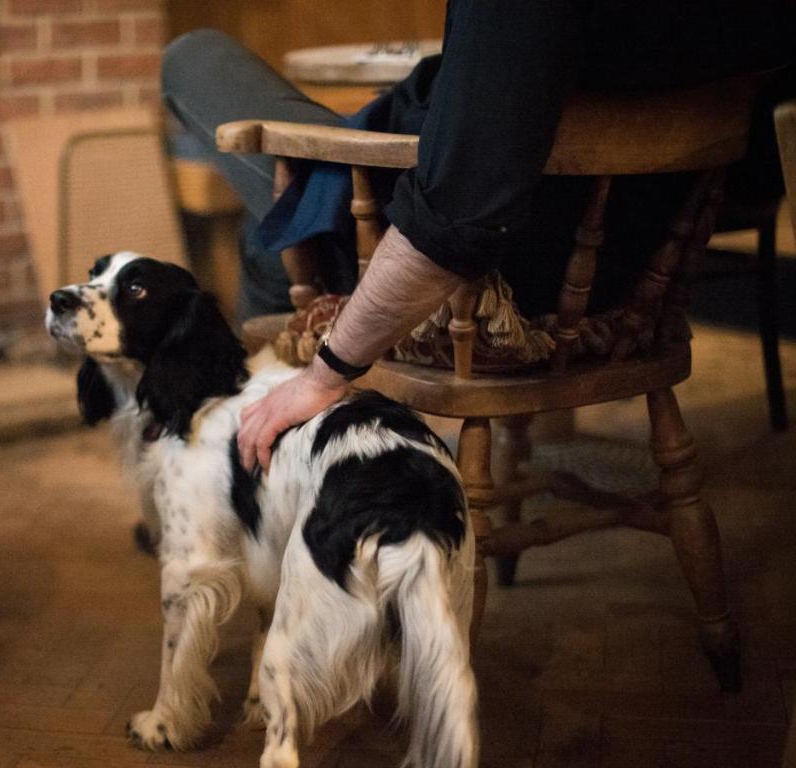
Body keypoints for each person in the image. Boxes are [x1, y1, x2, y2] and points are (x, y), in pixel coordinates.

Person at [160, 1, 795, 473]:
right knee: (276, 219)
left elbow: (453, 223)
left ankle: (238, 466)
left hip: (481, 284)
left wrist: (323, 376)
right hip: (636, 260)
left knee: (193, 61)